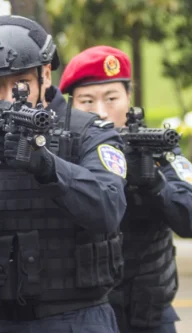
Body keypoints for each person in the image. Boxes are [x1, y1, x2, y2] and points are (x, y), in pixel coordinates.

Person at [0, 16, 127, 333]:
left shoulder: (89, 132)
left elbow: (109, 208)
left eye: (20, 83)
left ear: (46, 75)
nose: (10, 97)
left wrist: (48, 165)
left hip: (77, 318)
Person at [59, 46, 192, 333]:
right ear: (70, 104)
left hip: (149, 313)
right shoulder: (62, 153)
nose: (102, 112)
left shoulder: (154, 147)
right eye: (87, 101)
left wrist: (154, 182)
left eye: (112, 98)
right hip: (83, 312)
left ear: (129, 98)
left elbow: (189, 217)